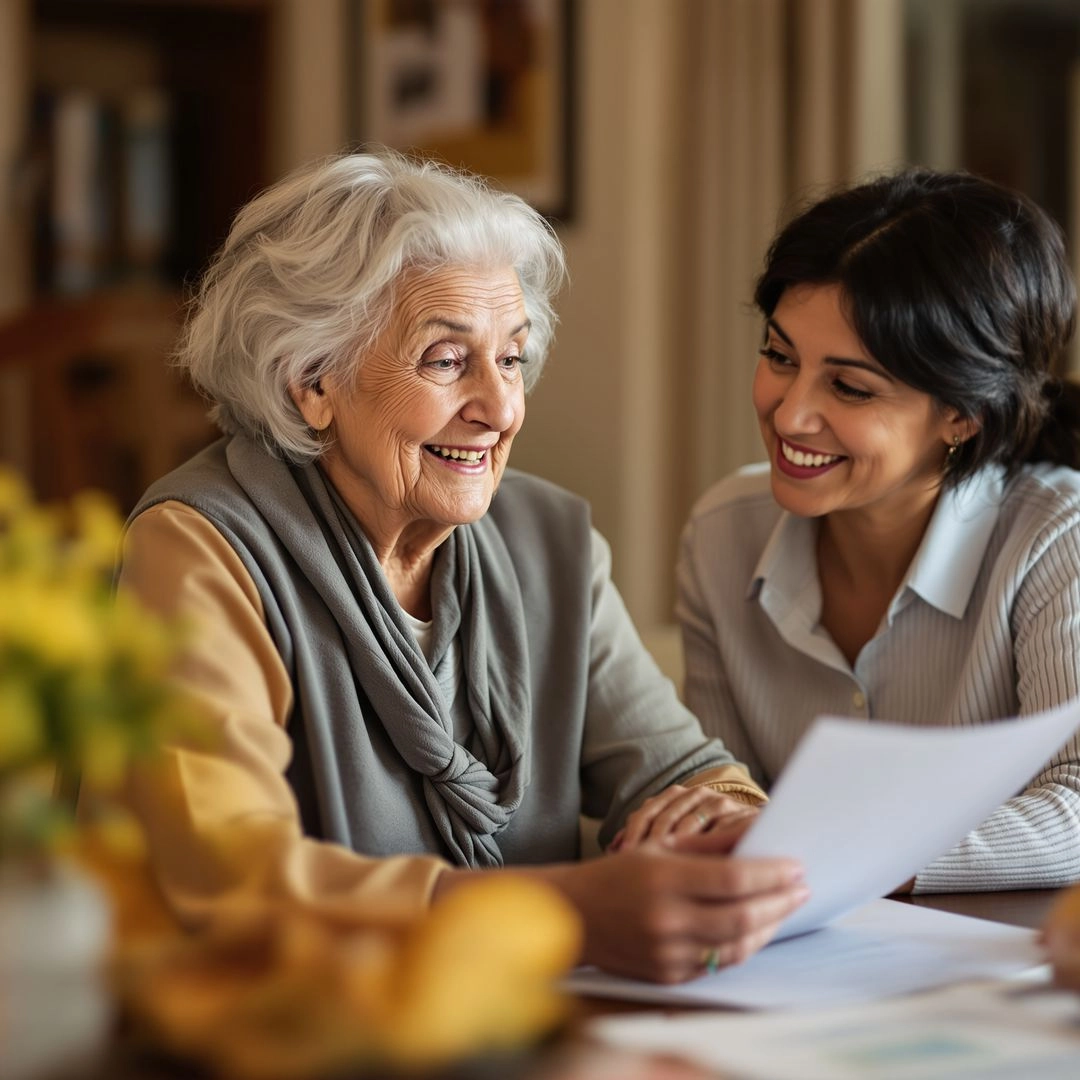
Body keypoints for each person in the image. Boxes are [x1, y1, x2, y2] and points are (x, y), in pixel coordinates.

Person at [116, 150, 808, 985]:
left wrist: (727, 830)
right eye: (447, 361)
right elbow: (230, 881)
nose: (501, 407)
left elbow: (680, 772)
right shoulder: (199, 549)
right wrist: (561, 916)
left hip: (505, 1030)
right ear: (311, 383)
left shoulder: (550, 544)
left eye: (511, 358)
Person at [678, 167, 1080, 894]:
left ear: (963, 415)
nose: (789, 414)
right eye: (779, 355)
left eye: (850, 387)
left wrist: (841, 856)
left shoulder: (1056, 538)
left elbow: (1077, 803)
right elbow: (721, 785)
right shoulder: (721, 535)